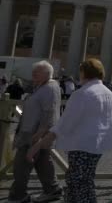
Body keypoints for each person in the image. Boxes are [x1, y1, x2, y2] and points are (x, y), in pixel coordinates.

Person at [26, 59, 112, 203]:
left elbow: (64, 124)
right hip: (98, 145)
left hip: (81, 145)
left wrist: (38, 145)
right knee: (84, 182)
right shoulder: (108, 93)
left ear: (84, 72)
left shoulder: (82, 93)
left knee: (78, 184)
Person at [9, 61, 62, 203]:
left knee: (21, 165)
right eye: (34, 71)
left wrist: (38, 136)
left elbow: (49, 113)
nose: (33, 73)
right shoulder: (41, 86)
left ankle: (18, 196)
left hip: (35, 133)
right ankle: (52, 189)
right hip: (35, 132)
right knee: (43, 162)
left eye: (37, 71)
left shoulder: (49, 88)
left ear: (47, 73)